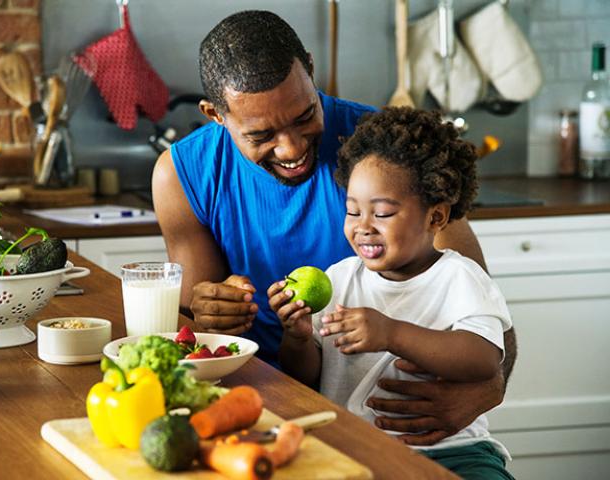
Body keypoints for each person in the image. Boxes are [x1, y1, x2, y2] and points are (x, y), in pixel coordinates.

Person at [152, 9, 517, 447]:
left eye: (305, 115)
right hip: (249, 405)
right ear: (216, 114)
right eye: (261, 135)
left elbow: (486, 312)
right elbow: (197, 333)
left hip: (394, 424)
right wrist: (208, 308)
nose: (291, 148)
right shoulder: (182, 174)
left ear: (310, 68)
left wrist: (486, 391)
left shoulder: (383, 154)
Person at [268, 107, 514, 479]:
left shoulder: (460, 278)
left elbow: (483, 359)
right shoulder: (341, 279)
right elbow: (308, 377)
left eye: (381, 214)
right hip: (353, 447)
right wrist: (298, 338)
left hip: (451, 451)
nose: (363, 228)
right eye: (353, 212)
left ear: (435, 218)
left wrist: (391, 333)